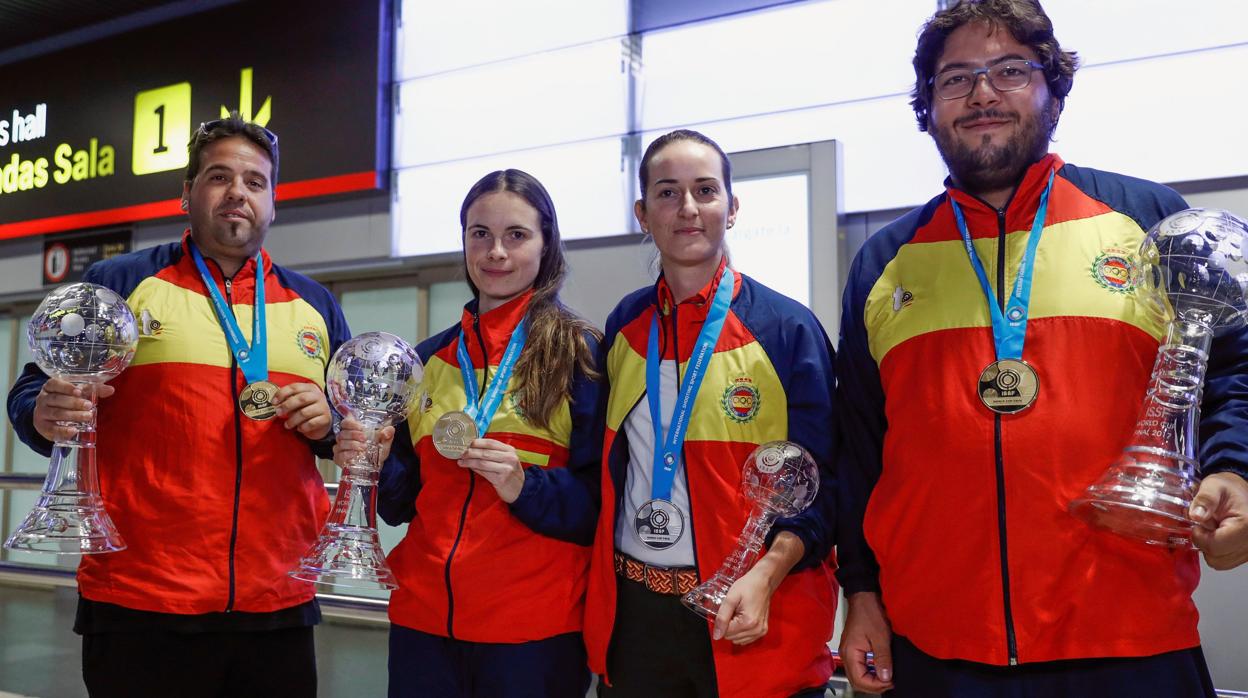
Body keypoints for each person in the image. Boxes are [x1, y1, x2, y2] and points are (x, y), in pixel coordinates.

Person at [835, 2, 1248, 696]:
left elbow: (1233, 367)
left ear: (1053, 88)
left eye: (1010, 70)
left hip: (1130, 638)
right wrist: (862, 595)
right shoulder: (885, 262)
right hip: (938, 649)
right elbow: (859, 448)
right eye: (956, 78)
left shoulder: (1146, 221)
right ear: (928, 106)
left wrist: (1237, 471)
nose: (982, 93)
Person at [7, 112, 348, 697]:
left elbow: (352, 424)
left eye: (255, 182)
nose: (237, 192)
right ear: (187, 193)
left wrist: (329, 422)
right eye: (219, 177)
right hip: (141, 599)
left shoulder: (314, 304)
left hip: (279, 598)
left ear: (273, 204)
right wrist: (42, 411)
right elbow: (34, 388)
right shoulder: (122, 281)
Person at [582, 129, 838, 698]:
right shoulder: (625, 327)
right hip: (639, 621)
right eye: (668, 193)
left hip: (756, 614)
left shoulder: (786, 329)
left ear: (733, 207)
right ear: (643, 214)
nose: (689, 209)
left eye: (705, 190)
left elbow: (824, 483)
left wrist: (768, 572)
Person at [334, 169, 602, 698]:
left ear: (546, 245)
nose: (495, 251)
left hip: (531, 632)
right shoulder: (428, 359)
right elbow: (402, 505)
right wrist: (376, 463)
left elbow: (601, 504)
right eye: (480, 233)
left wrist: (526, 487)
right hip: (423, 624)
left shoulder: (581, 355)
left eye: (516, 235)